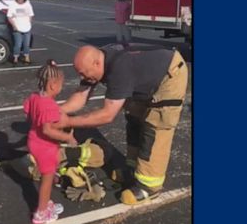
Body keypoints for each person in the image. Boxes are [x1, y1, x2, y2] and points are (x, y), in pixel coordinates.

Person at [58, 44, 188, 205]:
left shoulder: (119, 70)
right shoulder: (97, 61)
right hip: (145, 76)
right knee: (133, 119)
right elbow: (80, 96)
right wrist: (56, 112)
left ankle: (149, 186)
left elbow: (107, 115)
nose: (84, 78)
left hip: (170, 75)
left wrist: (69, 121)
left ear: (97, 64)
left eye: (85, 74)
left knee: (155, 127)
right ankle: (132, 170)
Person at [23, 59, 77, 224]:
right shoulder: (49, 106)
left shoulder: (35, 97)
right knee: (46, 180)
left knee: (50, 174)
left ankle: (45, 204)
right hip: (44, 147)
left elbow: (27, 111)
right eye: (61, 84)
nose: (62, 87)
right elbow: (47, 130)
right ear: (53, 85)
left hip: (34, 141)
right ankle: (41, 212)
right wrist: (67, 137)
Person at [7, 0, 34, 66]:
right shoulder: (13, 5)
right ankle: (15, 58)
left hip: (27, 28)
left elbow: (31, 15)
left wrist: (29, 24)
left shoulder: (27, 4)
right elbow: (9, 17)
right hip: (17, 28)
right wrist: (14, 26)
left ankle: (27, 58)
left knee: (26, 44)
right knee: (18, 44)